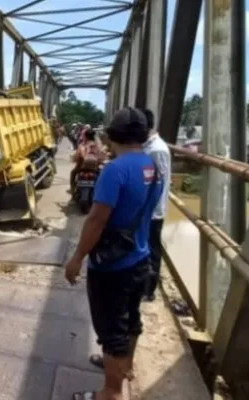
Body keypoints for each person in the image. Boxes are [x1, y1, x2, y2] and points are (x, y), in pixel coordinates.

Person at [64, 107, 163, 400]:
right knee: (131, 320)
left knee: (112, 331)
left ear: (112, 136)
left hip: (113, 266)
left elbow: (96, 220)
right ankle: (124, 368)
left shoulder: (115, 170)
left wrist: (77, 258)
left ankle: (110, 393)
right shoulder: (151, 166)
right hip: (140, 258)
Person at [141, 108, 171, 301]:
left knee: (152, 249)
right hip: (146, 209)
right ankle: (144, 285)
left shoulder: (157, 149)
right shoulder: (148, 146)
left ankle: (149, 290)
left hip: (153, 210)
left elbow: (158, 181)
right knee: (145, 247)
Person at [68, 128, 106, 194]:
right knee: (103, 178)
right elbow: (103, 158)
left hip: (82, 168)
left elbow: (76, 157)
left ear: (85, 136)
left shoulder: (82, 146)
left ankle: (72, 190)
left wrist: (74, 159)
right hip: (95, 169)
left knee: (73, 173)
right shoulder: (99, 146)